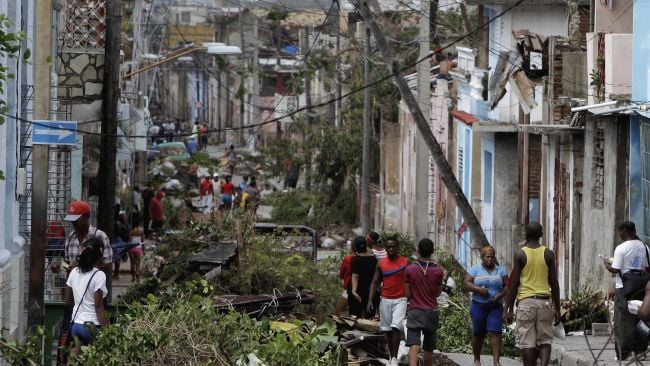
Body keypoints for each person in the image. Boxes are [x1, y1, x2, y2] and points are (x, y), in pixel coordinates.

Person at [504, 222, 560, 366]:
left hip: (526, 302)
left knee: (527, 342)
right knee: (545, 340)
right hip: (544, 302)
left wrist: (509, 309)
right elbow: (554, 283)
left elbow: (514, 283)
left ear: (526, 235)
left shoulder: (520, 254)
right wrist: (558, 308)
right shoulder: (548, 254)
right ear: (541, 235)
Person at [603, 221, 650, 360]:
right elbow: (646, 266)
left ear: (624, 231)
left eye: (619, 231)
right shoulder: (645, 247)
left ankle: (624, 353)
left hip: (624, 288)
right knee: (640, 318)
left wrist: (606, 264)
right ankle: (641, 350)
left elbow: (616, 269)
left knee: (622, 321)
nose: (619, 234)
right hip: (641, 287)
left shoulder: (621, 248)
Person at [465, 245, 509, 366]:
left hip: (495, 306)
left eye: (492, 257)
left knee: (496, 332)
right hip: (478, 306)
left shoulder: (500, 270)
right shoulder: (475, 270)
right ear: (482, 257)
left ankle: (496, 361)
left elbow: (507, 285)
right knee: (478, 332)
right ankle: (477, 359)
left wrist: (500, 295)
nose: (490, 259)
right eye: (487, 256)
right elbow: (467, 283)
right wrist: (478, 289)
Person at [368, 236, 409, 366]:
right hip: (385, 299)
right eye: (388, 247)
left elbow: (411, 281)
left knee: (396, 327)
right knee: (388, 331)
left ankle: (395, 358)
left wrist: (411, 297)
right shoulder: (381, 263)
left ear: (398, 248)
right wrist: (370, 300)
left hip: (401, 300)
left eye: (393, 247)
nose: (391, 249)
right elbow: (375, 282)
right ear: (385, 248)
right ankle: (391, 357)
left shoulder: (405, 262)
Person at [65, 239, 109, 359]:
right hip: (92, 327)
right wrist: (107, 331)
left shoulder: (74, 272)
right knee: (94, 360)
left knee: (73, 360)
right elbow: (98, 306)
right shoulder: (99, 275)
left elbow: (68, 302)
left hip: (75, 325)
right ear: (98, 257)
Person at [405, 238, 445, 366]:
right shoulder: (438, 271)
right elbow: (438, 293)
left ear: (418, 250)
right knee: (428, 347)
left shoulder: (410, 269)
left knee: (414, 344)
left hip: (415, 310)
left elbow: (407, 294)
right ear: (432, 251)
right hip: (431, 311)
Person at [63, 200, 113, 273]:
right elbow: (67, 262)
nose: (73, 223)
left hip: (93, 283)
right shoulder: (70, 238)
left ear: (87, 216)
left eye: (76, 220)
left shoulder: (100, 236)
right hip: (75, 284)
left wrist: (82, 267)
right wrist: (62, 267)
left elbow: (108, 265)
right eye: (71, 220)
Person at [350, 236, 378, 318]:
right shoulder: (374, 259)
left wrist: (353, 290)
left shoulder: (355, 260)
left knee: (356, 315)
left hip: (359, 290)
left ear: (356, 247)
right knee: (370, 314)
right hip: (372, 290)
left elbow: (355, 276)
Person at [336, 243, 356, 316]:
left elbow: (341, 274)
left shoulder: (348, 259)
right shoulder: (369, 258)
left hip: (349, 289)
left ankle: (347, 325)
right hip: (365, 290)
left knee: (339, 310)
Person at [113, 206, 131, 280]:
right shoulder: (117, 221)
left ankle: (116, 273)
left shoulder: (118, 222)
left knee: (117, 257)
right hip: (117, 239)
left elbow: (125, 230)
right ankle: (116, 273)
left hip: (117, 239)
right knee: (116, 257)